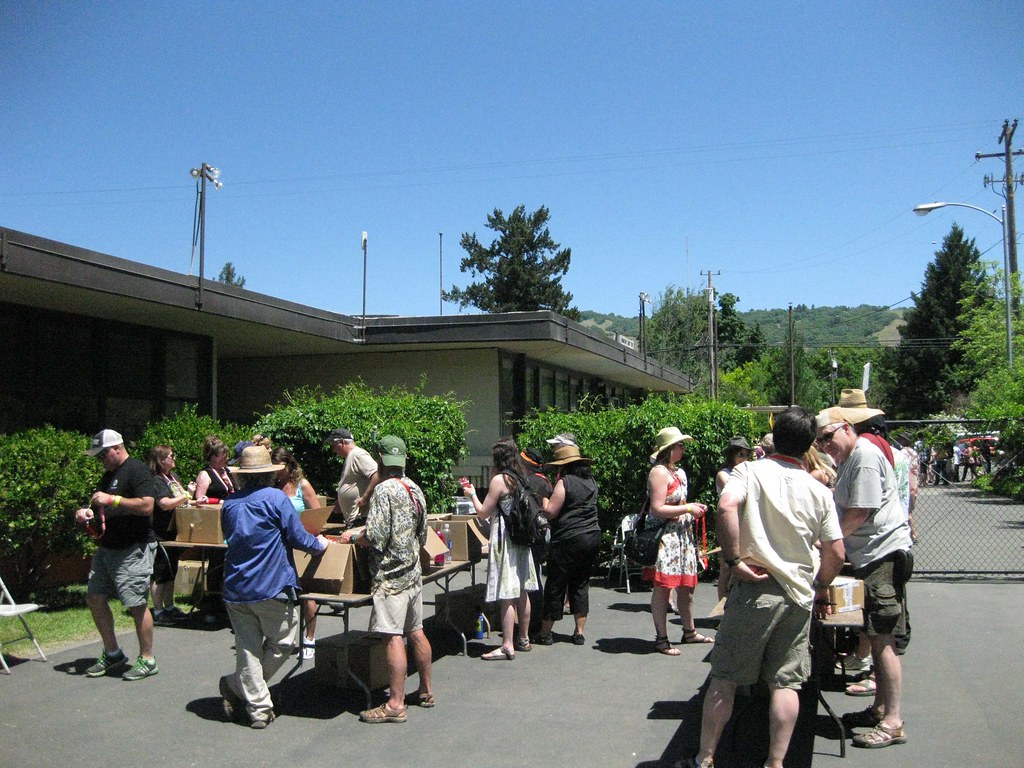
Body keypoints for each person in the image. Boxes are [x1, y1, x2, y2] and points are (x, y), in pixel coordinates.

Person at [683, 407, 845, 768]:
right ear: (810, 444)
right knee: (785, 683)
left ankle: (704, 758)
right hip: (797, 595)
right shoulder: (818, 490)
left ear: (775, 437)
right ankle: (775, 762)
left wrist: (733, 560)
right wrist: (821, 585)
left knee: (725, 678)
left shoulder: (748, 471)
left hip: (755, 589)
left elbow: (726, 505)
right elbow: (836, 551)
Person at [816, 406, 914, 750]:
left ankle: (892, 723)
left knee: (883, 637)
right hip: (870, 557)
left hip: (881, 557)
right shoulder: (849, 458)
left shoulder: (865, 456)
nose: (825, 444)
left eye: (828, 436)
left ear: (846, 427)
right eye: (819, 441)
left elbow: (861, 511)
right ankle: (880, 709)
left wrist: (828, 541)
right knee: (875, 636)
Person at [218, 445, 330, 729]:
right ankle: (254, 702)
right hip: (270, 583)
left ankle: (245, 693)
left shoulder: (229, 503)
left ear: (242, 475)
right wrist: (320, 546)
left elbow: (230, 536)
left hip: (236, 585)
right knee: (284, 641)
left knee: (248, 649)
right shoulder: (276, 499)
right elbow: (297, 536)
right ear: (269, 474)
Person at [340, 435, 435, 722]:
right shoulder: (415, 488)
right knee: (416, 631)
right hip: (412, 572)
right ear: (403, 460)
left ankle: (395, 704)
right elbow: (422, 535)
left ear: (380, 458)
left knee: (393, 637)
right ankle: (426, 690)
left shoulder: (383, 491)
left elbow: (375, 536)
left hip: (390, 576)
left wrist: (352, 537)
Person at [74, 430, 161, 681]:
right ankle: (112, 653)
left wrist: (113, 499)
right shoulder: (109, 474)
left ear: (116, 449)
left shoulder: (137, 470)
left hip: (132, 548)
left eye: (102, 455)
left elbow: (147, 505)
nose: (100, 461)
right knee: (94, 597)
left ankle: (147, 659)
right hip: (107, 548)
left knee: (136, 604)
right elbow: (102, 505)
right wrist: (87, 512)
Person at [462, 438, 539, 659]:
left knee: (507, 593)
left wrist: (472, 494)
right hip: (522, 538)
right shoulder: (520, 477)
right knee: (522, 590)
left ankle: (507, 645)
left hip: (506, 539)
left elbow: (483, 512)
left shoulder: (499, 480)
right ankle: (523, 638)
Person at [645, 427, 711, 655]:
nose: (683, 449)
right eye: (679, 445)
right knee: (664, 588)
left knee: (687, 587)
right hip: (667, 537)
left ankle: (689, 631)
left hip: (682, 535)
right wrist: (688, 508)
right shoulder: (658, 472)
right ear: (669, 449)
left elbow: (679, 503)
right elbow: (657, 508)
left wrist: (691, 508)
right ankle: (661, 638)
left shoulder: (679, 472)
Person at [536, 444, 600, 646]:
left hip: (568, 538)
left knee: (556, 584)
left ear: (564, 466)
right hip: (591, 535)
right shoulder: (591, 481)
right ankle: (579, 632)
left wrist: (543, 498)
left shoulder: (565, 482)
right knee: (581, 583)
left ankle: (545, 633)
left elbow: (551, 512)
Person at [269, 446, 323, 659]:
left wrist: (308, 535)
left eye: (279, 466)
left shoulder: (302, 485)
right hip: (280, 547)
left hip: (302, 544)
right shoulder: (271, 486)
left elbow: (317, 515)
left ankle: (309, 638)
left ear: (289, 464)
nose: (276, 471)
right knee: (282, 594)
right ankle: (282, 637)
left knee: (307, 593)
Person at [147, 445, 194, 623]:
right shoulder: (156, 480)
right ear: (161, 460)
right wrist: (186, 495)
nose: (174, 459)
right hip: (160, 532)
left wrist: (192, 498)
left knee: (171, 571)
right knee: (160, 573)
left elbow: (180, 500)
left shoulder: (174, 478)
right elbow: (165, 503)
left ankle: (169, 606)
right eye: (171, 456)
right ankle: (158, 611)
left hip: (175, 532)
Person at [715, 436, 751, 600]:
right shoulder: (724, 474)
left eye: (746, 455)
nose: (744, 458)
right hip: (728, 523)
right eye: (741, 455)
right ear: (732, 455)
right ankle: (721, 605)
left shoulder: (746, 473)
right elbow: (735, 491)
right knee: (726, 567)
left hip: (743, 523)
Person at [328, 428, 379, 527]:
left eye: (333, 445)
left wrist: (365, 498)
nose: (333, 450)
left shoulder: (358, 454)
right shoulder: (351, 456)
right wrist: (340, 502)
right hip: (355, 520)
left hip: (361, 519)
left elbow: (377, 474)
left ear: (342, 442)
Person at [194, 436, 235, 502]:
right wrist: (218, 501)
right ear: (212, 456)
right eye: (223, 456)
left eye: (226, 456)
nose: (226, 458)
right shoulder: (205, 475)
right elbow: (200, 500)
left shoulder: (227, 471)